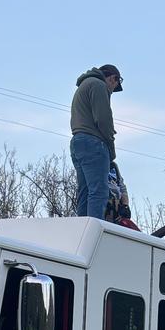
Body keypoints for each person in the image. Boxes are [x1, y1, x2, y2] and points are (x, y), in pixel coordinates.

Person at [70, 64, 123, 219]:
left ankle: (82, 229)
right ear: (113, 79)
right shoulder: (99, 85)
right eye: (115, 86)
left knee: (85, 191)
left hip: (78, 142)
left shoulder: (84, 85)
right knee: (99, 191)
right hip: (94, 143)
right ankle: (94, 229)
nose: (112, 91)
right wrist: (111, 148)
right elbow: (103, 119)